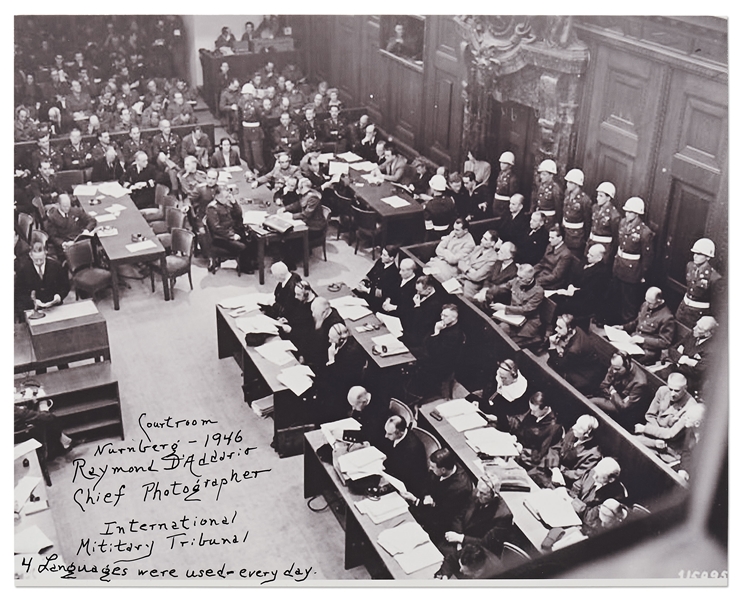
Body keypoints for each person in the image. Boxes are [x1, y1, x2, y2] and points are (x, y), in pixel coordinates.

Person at [436, 475, 513, 579]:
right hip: (460, 544)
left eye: (483, 493)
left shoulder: (503, 515)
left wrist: (462, 539)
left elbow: (487, 543)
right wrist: (459, 540)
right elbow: (459, 516)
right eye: (478, 490)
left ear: (494, 495)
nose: (477, 495)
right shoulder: (476, 494)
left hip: (479, 554)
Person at [400, 448, 473, 542]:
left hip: (440, 522)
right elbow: (427, 482)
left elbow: (440, 515)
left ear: (443, 470)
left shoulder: (459, 488)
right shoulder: (440, 470)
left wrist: (416, 501)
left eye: (433, 467)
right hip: (429, 507)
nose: (430, 468)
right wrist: (427, 495)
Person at [610, 196, 655, 323]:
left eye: (631, 212)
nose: (627, 214)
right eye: (627, 211)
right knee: (616, 295)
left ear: (637, 214)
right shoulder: (623, 223)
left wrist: (642, 274)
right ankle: (614, 322)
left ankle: (626, 324)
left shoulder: (645, 232)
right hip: (619, 264)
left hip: (632, 270)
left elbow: (647, 257)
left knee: (628, 300)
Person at [314, 323, 368, 425]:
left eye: (331, 339)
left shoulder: (351, 354)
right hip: (339, 379)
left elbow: (337, 378)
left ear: (341, 340)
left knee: (323, 398)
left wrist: (331, 360)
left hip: (344, 388)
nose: (329, 341)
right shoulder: (342, 345)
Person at [412, 304, 466, 399]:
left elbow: (437, 353)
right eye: (442, 315)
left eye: (445, 316)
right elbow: (425, 342)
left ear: (454, 318)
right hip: (430, 355)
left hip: (439, 366)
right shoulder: (444, 326)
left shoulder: (455, 335)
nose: (441, 318)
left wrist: (436, 332)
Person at [534, 415, 602, 489]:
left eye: (579, 428)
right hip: (551, 467)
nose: (573, 427)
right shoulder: (573, 433)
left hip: (562, 482)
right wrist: (555, 468)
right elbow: (556, 448)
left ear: (587, 434)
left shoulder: (594, 454)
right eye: (576, 424)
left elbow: (577, 475)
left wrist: (559, 470)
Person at [488, 263, 546, 350]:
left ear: (529, 278)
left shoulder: (538, 291)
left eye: (521, 278)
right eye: (517, 276)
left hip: (528, 322)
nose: (517, 279)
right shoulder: (517, 280)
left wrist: (504, 308)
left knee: (505, 341)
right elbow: (505, 286)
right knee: (498, 329)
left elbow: (526, 309)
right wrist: (491, 291)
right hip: (512, 317)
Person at [590, 350, 651, 430]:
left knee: (592, 402)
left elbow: (624, 407)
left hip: (626, 413)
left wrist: (612, 391)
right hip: (615, 400)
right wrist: (615, 396)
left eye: (618, 369)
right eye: (613, 368)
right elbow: (603, 386)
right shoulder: (615, 366)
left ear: (628, 365)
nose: (614, 371)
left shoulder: (640, 382)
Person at [657, 315, 718, 394]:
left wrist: (680, 359)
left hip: (690, 379)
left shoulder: (713, 349)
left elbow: (700, 370)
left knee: (668, 389)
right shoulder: (693, 334)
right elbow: (672, 349)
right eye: (696, 325)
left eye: (699, 328)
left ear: (707, 333)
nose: (694, 328)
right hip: (675, 368)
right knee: (653, 377)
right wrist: (686, 360)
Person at [547, 314, 603, 394]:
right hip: (583, 362)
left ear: (569, 329)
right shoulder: (575, 329)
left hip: (585, 374)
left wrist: (552, 346)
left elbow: (561, 366)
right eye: (557, 326)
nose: (556, 329)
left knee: (554, 368)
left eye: (560, 327)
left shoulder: (575, 349)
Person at [467, 358, 529, 431]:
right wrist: (476, 399)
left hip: (499, 425)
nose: (501, 380)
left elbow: (517, 422)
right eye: (500, 376)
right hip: (482, 414)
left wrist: (498, 419)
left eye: (504, 378)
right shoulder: (499, 377)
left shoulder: (522, 392)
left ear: (514, 377)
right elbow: (486, 392)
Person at [555, 244, 611, 324]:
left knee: (562, 306)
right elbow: (573, 275)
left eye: (591, 255)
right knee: (554, 298)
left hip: (585, 300)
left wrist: (573, 293)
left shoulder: (602, 272)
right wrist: (570, 285)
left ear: (599, 258)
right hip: (573, 292)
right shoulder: (584, 261)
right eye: (588, 253)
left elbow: (590, 292)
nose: (587, 255)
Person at [619, 286, 676, 365]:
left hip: (648, 350)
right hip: (634, 341)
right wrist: (623, 327)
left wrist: (643, 340)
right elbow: (637, 321)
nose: (647, 304)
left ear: (659, 301)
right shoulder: (645, 305)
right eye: (646, 301)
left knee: (623, 360)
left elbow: (665, 342)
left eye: (650, 303)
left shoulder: (667, 317)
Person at [568, 457, 628, 531]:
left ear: (611, 479)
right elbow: (577, 485)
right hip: (573, 512)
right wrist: (572, 498)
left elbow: (590, 518)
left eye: (598, 476)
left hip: (585, 527)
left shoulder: (615, 498)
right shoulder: (594, 472)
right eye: (595, 471)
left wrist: (572, 501)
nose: (593, 476)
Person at [675, 238, 723, 328]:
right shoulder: (690, 266)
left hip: (697, 314)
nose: (695, 256)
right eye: (694, 253)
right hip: (683, 308)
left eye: (699, 254)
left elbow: (715, 304)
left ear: (708, 257)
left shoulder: (714, 278)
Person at [205, 188, 254, 274]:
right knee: (243, 247)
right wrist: (231, 236)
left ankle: (250, 262)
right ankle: (245, 267)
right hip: (220, 238)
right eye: (226, 197)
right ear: (218, 197)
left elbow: (238, 214)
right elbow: (216, 228)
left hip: (229, 231)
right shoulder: (212, 208)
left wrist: (234, 202)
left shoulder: (225, 204)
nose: (228, 198)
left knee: (250, 238)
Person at [511, 392, 563, 469]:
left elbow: (540, 454)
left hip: (528, 460)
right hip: (516, 447)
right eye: (531, 409)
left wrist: (522, 450)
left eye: (534, 411)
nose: (531, 413)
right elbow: (521, 424)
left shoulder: (554, 428)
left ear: (545, 408)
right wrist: (514, 436)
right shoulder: (535, 411)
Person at [379, 415, 428, 497]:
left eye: (389, 434)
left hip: (406, 485)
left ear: (400, 433)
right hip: (393, 474)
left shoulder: (411, 449)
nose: (386, 436)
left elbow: (404, 474)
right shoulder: (396, 436)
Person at [15, 242, 70, 314]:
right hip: (33, 308)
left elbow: (65, 286)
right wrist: (33, 302)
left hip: (55, 306)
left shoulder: (56, 266)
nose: (38, 262)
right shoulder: (24, 270)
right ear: (30, 255)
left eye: (41, 259)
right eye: (36, 260)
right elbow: (19, 293)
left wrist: (59, 297)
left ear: (45, 253)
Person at [400, 275, 444, 353]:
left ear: (429, 289)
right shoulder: (421, 294)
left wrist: (417, 306)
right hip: (409, 328)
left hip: (420, 335)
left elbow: (422, 322)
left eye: (420, 291)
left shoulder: (435, 303)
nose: (417, 293)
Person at [353, 246, 401, 313]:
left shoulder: (394, 273)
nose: (381, 256)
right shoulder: (380, 262)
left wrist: (367, 290)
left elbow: (383, 293)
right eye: (382, 254)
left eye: (384, 255)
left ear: (391, 258)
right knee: (351, 294)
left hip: (376, 300)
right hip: (368, 291)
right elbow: (370, 274)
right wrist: (363, 282)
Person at [473, 241, 519, 307]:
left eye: (501, 252)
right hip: (485, 292)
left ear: (509, 256)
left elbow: (503, 290)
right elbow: (488, 277)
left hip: (495, 300)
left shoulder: (514, 272)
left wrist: (486, 293)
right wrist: (484, 288)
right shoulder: (498, 262)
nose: (498, 252)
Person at [457, 229, 500, 298]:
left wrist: (465, 268)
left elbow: (476, 277)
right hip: (461, 278)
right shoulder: (478, 248)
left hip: (472, 286)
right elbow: (460, 262)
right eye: (483, 237)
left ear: (492, 243)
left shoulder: (493, 258)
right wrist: (470, 269)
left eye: (485, 239)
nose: (481, 240)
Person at [585, 182, 621, 263]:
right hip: (591, 243)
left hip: (603, 247)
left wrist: (609, 253)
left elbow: (615, 238)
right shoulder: (595, 208)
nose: (597, 198)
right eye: (598, 195)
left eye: (601, 196)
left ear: (608, 198)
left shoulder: (614, 215)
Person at [560, 168, 593, 257]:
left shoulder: (585, 200)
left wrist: (584, 238)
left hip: (576, 236)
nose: (567, 184)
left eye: (570, 182)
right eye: (568, 182)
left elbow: (587, 222)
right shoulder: (567, 193)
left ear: (577, 184)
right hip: (565, 232)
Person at [533, 223, 575, 291]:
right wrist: (531, 272)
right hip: (542, 275)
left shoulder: (566, 254)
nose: (549, 240)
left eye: (552, 238)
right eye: (549, 237)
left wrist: (537, 281)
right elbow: (541, 263)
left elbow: (556, 276)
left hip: (552, 283)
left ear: (560, 238)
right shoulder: (550, 246)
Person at [533, 159, 563, 227]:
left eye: (544, 174)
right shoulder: (541, 186)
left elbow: (558, 207)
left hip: (549, 220)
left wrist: (557, 222)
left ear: (551, 175)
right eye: (541, 174)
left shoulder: (555, 188)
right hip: (539, 217)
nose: (541, 176)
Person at [491, 151, 518, 219]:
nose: (501, 165)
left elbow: (512, 194)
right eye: (501, 162)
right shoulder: (500, 174)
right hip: (496, 202)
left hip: (503, 206)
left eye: (504, 163)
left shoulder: (512, 178)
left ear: (510, 165)